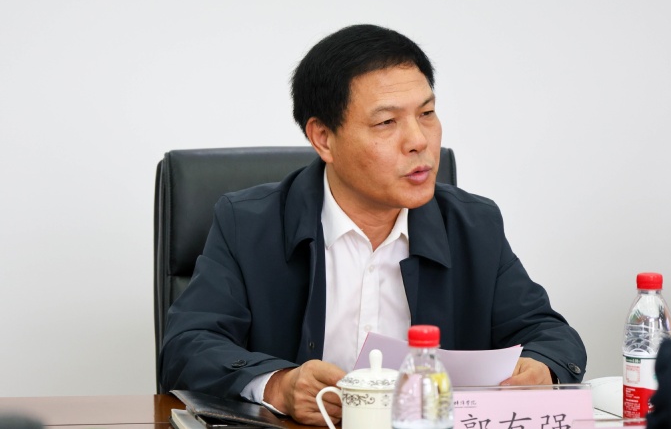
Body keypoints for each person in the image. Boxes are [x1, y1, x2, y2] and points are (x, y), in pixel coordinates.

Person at [159, 24, 587, 426]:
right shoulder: (249, 223)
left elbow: (550, 335)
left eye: (427, 113)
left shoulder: (473, 225)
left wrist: (542, 367)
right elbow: (187, 346)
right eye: (386, 122)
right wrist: (279, 386)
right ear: (324, 138)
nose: (418, 140)